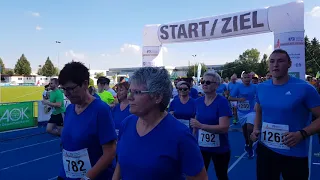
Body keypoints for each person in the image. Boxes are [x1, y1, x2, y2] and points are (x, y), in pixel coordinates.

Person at [113, 67, 207, 180]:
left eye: (137, 92)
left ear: (157, 97)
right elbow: (120, 164)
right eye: (130, 91)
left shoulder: (181, 135)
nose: (130, 97)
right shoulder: (126, 124)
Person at [250, 49, 320, 180]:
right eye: (272, 61)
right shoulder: (261, 87)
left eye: (280, 61)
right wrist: (255, 129)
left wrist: (302, 133)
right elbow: (259, 110)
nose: (275, 65)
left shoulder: (305, 88)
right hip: (266, 150)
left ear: (289, 64)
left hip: (294, 153)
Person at [57, 61, 117, 180]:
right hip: (67, 175)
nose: (66, 94)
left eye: (70, 89)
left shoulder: (101, 110)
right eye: (63, 89)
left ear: (85, 84)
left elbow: (110, 153)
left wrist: (87, 177)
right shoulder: (69, 110)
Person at [191, 71, 232, 180]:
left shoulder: (222, 102)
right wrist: (193, 138)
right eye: (202, 81)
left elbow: (224, 128)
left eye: (208, 82)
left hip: (220, 149)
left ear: (217, 85)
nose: (204, 84)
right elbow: (195, 123)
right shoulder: (198, 102)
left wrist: (201, 126)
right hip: (201, 147)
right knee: (198, 176)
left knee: (221, 175)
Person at [229, 71, 257, 158]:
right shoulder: (238, 87)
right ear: (242, 79)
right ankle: (247, 143)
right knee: (244, 130)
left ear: (251, 78)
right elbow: (230, 98)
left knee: (250, 128)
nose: (247, 79)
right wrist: (239, 99)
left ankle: (250, 146)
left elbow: (260, 96)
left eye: (248, 77)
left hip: (251, 111)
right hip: (241, 112)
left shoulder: (255, 87)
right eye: (245, 78)